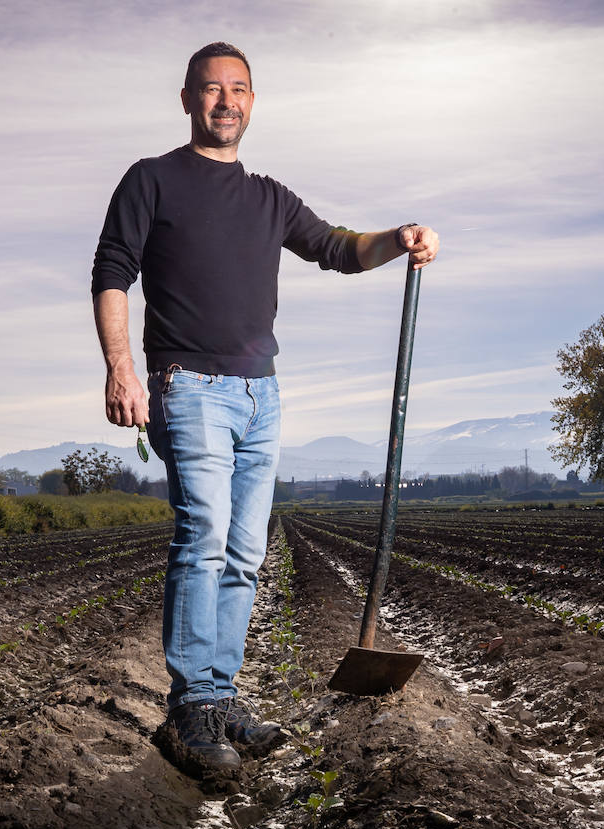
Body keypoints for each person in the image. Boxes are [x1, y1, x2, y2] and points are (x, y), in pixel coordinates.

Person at [91, 41, 438, 775]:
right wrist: (123, 368)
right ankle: (189, 712)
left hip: (262, 394)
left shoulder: (270, 197)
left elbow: (340, 248)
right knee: (205, 537)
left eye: (240, 90)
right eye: (212, 90)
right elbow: (112, 271)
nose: (227, 102)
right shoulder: (151, 180)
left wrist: (399, 236)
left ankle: (218, 696)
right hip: (186, 386)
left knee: (246, 556)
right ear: (187, 99)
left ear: (253, 102)